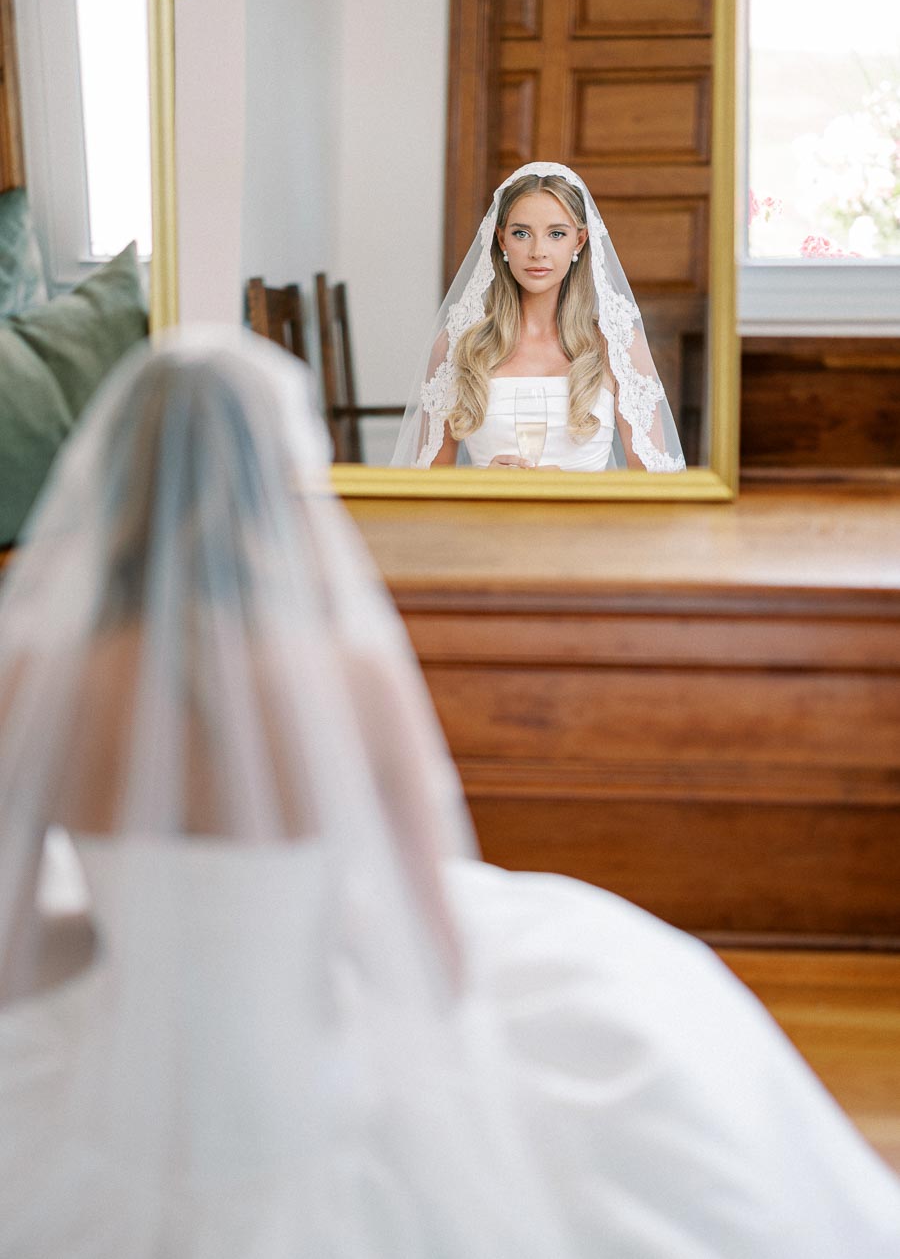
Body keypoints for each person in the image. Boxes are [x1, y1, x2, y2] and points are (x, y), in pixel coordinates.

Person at [0, 328, 897, 1259]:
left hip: (122, 1112)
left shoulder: (34, 680)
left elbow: (11, 959)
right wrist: (288, 931)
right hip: (310, 1103)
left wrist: (142, 935)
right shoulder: (347, 672)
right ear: (279, 474)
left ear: (108, 477)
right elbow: (433, 964)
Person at [391, 161, 686, 472]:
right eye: (522, 233)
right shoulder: (457, 346)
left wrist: (570, 489)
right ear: (502, 240)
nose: (537, 251)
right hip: (489, 520)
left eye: (556, 234)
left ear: (580, 240)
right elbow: (428, 481)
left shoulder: (619, 348)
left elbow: (655, 482)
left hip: (584, 521)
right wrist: (482, 484)